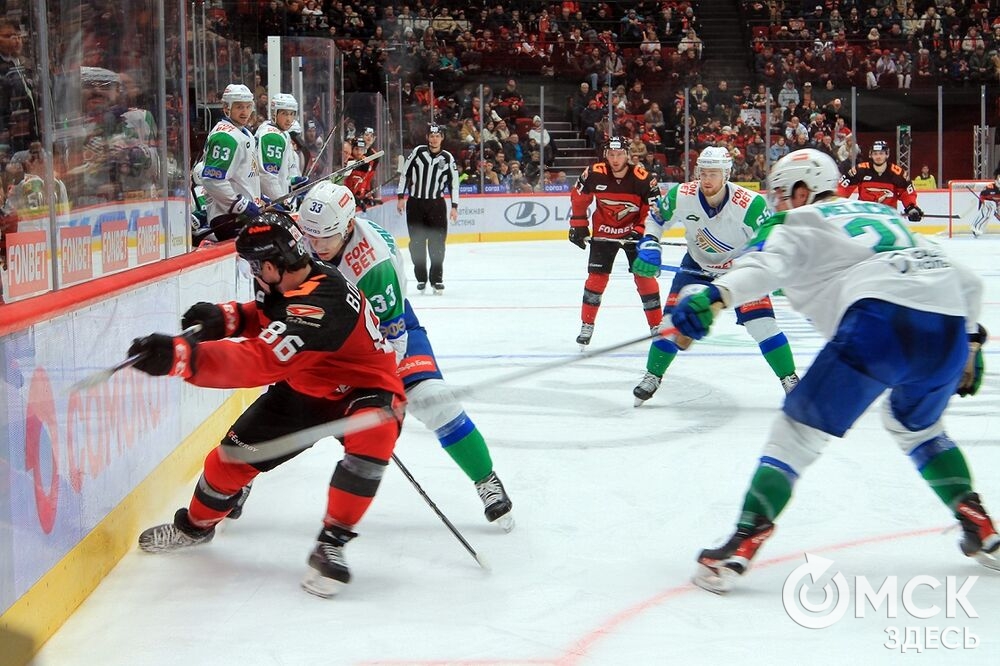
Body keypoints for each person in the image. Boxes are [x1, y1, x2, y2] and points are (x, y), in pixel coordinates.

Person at [668, 149, 996, 594]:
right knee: (917, 427)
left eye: (783, 193)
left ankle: (741, 544)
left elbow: (765, 265)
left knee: (796, 434)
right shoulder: (882, 213)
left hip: (879, 319)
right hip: (948, 326)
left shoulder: (797, 221)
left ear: (803, 189)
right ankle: (979, 525)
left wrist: (714, 296)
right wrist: (972, 346)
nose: (779, 203)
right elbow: (969, 282)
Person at [133, 212, 405, 598]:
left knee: (372, 435)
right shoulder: (288, 279)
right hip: (307, 387)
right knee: (227, 461)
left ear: (273, 265)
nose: (253, 274)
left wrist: (183, 357)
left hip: (364, 390)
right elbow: (265, 317)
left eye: (255, 267)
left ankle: (332, 541)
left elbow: (259, 361)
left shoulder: (321, 304)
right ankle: (194, 526)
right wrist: (226, 319)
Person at [298, 183, 514, 530]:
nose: (316, 246)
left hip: (386, 331)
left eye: (326, 238)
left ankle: (485, 478)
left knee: (434, 401)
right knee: (287, 405)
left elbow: (392, 340)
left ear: (349, 225)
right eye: (311, 236)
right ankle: (242, 477)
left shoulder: (374, 265)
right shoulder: (313, 232)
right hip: (325, 332)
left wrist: (369, 384)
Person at [630, 146, 799, 406]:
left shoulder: (750, 204)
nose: (706, 179)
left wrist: (775, 272)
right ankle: (653, 375)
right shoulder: (682, 194)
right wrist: (651, 242)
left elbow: (772, 239)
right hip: (696, 267)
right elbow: (657, 218)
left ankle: (790, 380)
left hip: (739, 272)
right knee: (669, 326)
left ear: (726, 175)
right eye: (703, 172)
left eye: (713, 173)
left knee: (762, 326)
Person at [568, 136, 662, 348]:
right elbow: (579, 197)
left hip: (634, 233)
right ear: (605, 155)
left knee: (644, 276)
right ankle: (587, 324)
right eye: (611, 154)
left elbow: (654, 209)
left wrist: (640, 230)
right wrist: (579, 223)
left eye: (619, 154)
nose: (615, 158)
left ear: (628, 155)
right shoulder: (594, 173)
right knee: (596, 279)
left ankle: (657, 326)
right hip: (605, 231)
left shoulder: (643, 178)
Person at [396, 124, 460, 293]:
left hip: (436, 205)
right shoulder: (418, 152)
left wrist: (454, 206)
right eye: (431, 136)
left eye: (437, 136)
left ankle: (437, 279)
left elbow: (454, 183)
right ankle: (422, 278)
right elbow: (405, 173)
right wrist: (400, 197)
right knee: (416, 243)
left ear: (442, 138)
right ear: (427, 138)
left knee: (437, 243)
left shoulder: (447, 158)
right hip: (415, 204)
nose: (434, 139)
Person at [198, 83, 264, 239]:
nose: (245, 112)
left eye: (248, 107)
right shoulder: (225, 137)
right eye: (239, 107)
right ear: (227, 108)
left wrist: (257, 196)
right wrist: (238, 204)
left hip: (241, 214)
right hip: (228, 217)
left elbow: (244, 175)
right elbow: (212, 179)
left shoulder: (244, 133)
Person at [838, 140, 923, 222]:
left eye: (881, 153)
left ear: (887, 154)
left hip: (888, 218)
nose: (878, 157)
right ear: (870, 155)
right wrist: (836, 203)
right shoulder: (861, 170)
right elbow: (843, 188)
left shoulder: (898, 173)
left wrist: (911, 207)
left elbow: (907, 192)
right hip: (865, 217)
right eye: (875, 154)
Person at [255, 92, 306, 205]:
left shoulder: (279, 132)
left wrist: (294, 181)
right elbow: (268, 176)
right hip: (268, 202)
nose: (289, 119)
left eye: (292, 114)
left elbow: (281, 173)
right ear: (274, 113)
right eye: (284, 113)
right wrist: (282, 202)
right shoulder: (273, 136)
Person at [0, 19, 39, 153]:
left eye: (18, 36)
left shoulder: (26, 63)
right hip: (9, 136)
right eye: (8, 36)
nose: (16, 40)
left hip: (31, 131)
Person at [343, 136, 378, 210]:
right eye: (356, 149)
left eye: (361, 149)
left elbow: (364, 181)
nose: (359, 152)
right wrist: (353, 197)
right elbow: (346, 182)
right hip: (345, 198)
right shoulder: (348, 161)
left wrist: (364, 195)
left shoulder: (366, 163)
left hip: (355, 197)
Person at [970, 167, 1000, 237]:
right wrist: (982, 202)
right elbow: (982, 195)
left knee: (989, 214)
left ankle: (978, 228)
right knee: (987, 213)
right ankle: (975, 227)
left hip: (995, 203)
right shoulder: (990, 187)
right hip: (988, 201)